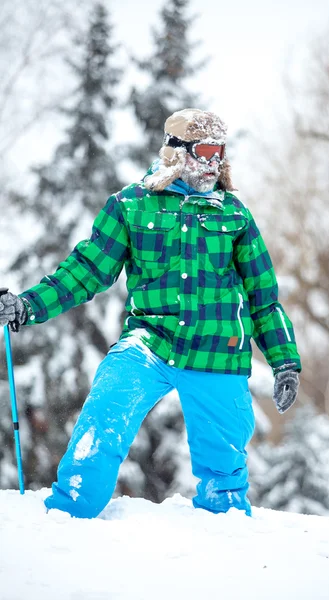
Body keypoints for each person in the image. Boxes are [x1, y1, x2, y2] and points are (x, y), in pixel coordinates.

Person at [0, 108, 301, 518]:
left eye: (220, 152)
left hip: (218, 352)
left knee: (224, 480)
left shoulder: (235, 216)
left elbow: (263, 298)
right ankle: (69, 515)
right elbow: (88, 270)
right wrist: (29, 305)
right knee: (105, 413)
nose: (214, 162)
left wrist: (285, 362)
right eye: (205, 151)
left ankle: (226, 547)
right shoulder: (130, 205)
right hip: (150, 343)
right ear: (177, 152)